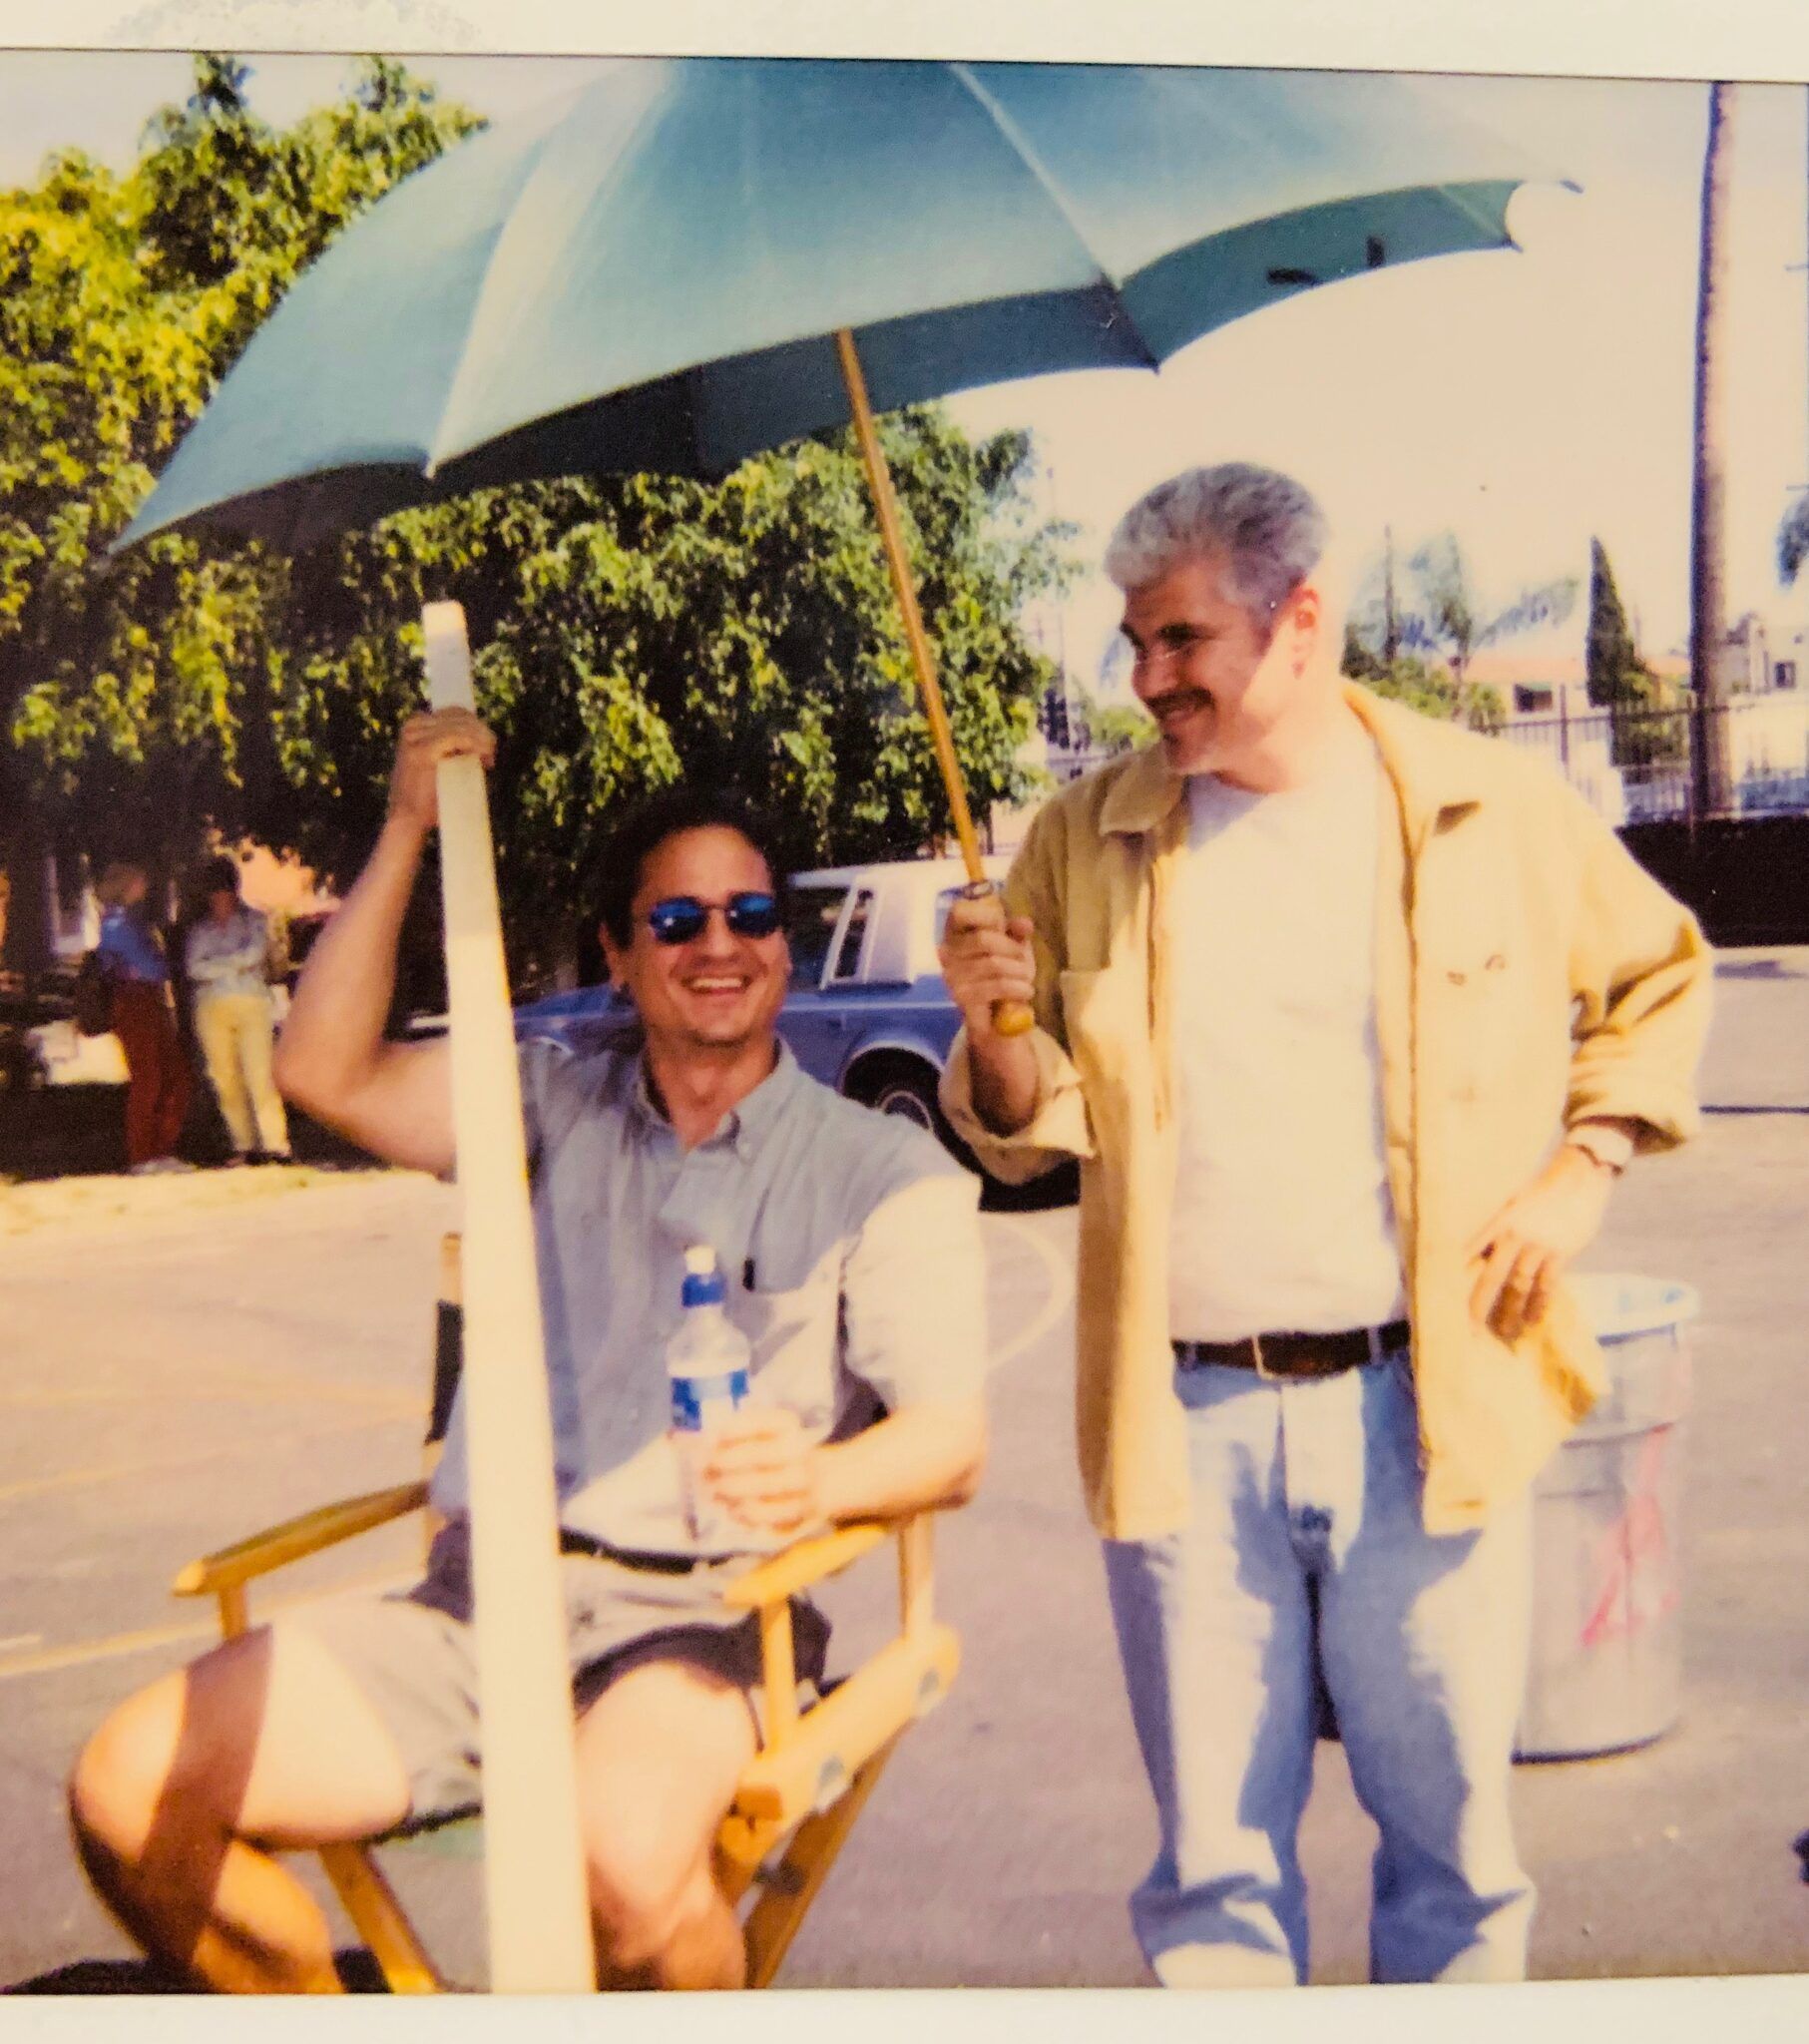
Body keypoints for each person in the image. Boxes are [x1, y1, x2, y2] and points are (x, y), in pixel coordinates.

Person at [68, 712, 989, 1993]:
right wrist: (407, 823)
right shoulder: (549, 1095)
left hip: (703, 1621)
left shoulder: (879, 1166)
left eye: (749, 914)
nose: (719, 945)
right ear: (617, 950)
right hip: (478, 1606)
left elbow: (948, 1439)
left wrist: (820, 1478)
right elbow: (318, 1067)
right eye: (676, 920)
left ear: (784, 940)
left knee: (619, 1870)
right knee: (128, 1791)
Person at [938, 463, 1711, 1987]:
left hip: (1426, 1407)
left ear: (1300, 623)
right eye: (1134, 641)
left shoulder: (1489, 808)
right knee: (1215, 1887)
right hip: (1185, 1421)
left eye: (1181, 639)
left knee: (1455, 1872)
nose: (1146, 677)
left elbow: (1659, 975)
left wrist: (1587, 1160)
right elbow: (1031, 1128)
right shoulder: (1082, 837)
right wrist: (991, 1030)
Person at [184, 855, 291, 1167]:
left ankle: (275, 1143)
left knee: (260, 1074)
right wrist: (235, 964)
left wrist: (216, 965)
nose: (220, 899)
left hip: (252, 1004)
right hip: (211, 1010)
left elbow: (255, 955)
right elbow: (193, 968)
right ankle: (243, 1144)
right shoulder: (200, 931)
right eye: (214, 893)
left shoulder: (254, 921)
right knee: (225, 1078)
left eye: (225, 891)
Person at [94, 862, 194, 1176]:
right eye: (138, 882)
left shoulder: (131, 922)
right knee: (148, 1076)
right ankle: (143, 1153)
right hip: (133, 1001)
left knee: (173, 1073)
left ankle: (161, 1148)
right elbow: (151, 967)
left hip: (148, 999)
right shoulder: (116, 925)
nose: (145, 886)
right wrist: (159, 964)